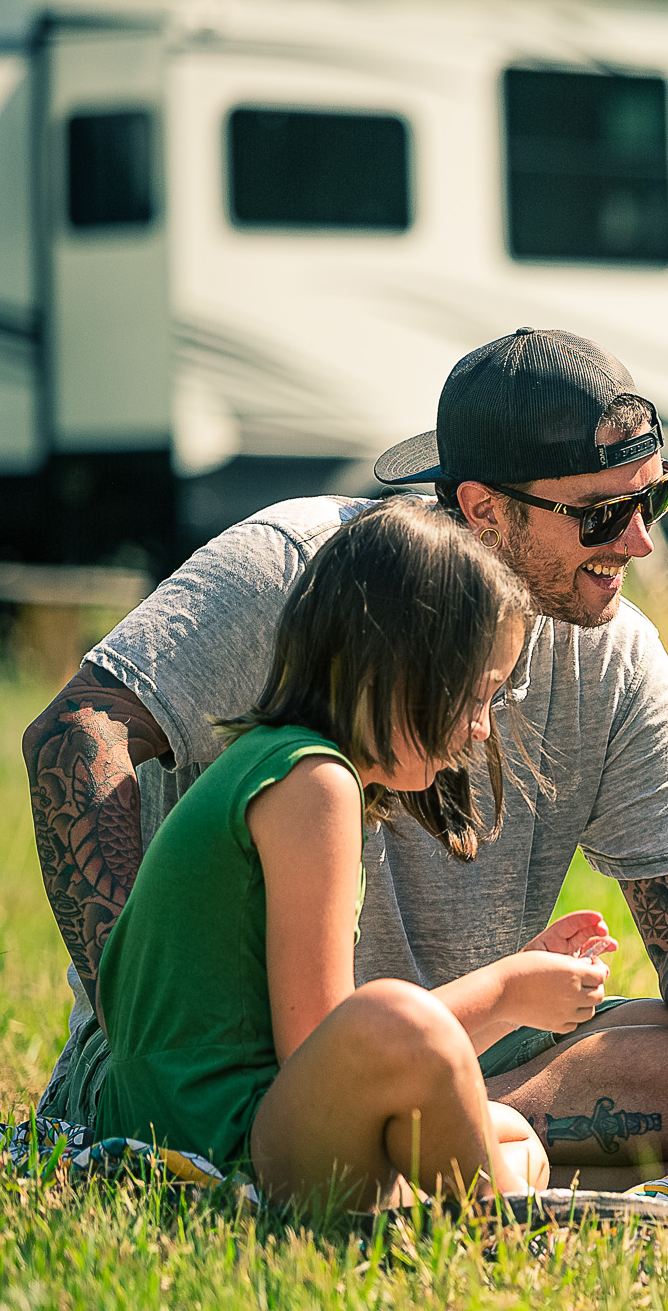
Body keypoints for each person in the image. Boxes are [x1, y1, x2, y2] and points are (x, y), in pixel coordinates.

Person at [31, 328, 668, 1177]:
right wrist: (136, 1019)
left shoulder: (615, 652)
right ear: (486, 506)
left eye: (657, 498)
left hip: (454, 1047)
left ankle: (447, 1125)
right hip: (236, 1084)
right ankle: (438, 1135)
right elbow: (73, 734)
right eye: (603, 513)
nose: (640, 540)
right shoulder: (317, 576)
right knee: (416, 1056)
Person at [77, 499, 609, 1207]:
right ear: (398, 667)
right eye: (476, 696)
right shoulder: (313, 781)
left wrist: (519, 988)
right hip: (211, 1147)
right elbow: (326, 1045)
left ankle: (478, 1199)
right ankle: (511, 1227)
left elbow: (349, 1054)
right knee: (401, 1025)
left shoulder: (296, 767)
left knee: (509, 1132)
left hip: (239, 1127)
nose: (483, 731)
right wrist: (509, 990)